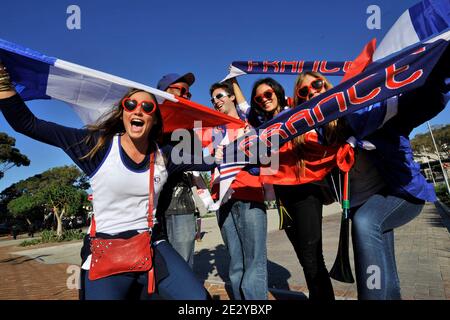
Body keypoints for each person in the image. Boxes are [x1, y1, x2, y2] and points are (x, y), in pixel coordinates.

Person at [0, 62, 215, 300]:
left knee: (198, 300)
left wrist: (256, 144)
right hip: (106, 250)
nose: (138, 110)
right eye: (130, 105)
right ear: (123, 113)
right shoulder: (96, 146)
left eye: (147, 107)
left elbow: (215, 159)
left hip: (152, 244)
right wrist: (3, 84)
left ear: (154, 119)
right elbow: (28, 124)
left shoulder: (164, 155)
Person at [293, 55, 448, 299]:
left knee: (366, 223)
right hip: (359, 206)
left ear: (328, 87)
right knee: (387, 275)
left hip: (399, 193)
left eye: (317, 85)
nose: (312, 92)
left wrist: (437, 68)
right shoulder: (314, 141)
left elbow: (413, 105)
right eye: (304, 92)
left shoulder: (360, 111)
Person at [248, 77, 337, 300]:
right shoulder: (263, 128)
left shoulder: (295, 112)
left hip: (306, 190)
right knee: (303, 255)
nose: (264, 100)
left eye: (268, 94)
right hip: (283, 196)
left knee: (312, 256)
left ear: (278, 93)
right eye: (259, 98)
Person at [206, 80, 268, 300]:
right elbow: (196, 159)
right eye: (213, 99)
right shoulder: (211, 129)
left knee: (255, 260)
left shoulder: (250, 124)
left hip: (249, 195)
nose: (216, 101)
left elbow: (268, 156)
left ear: (232, 97)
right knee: (236, 262)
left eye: (220, 96)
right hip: (222, 200)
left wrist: (233, 81)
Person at [155, 72, 199, 269]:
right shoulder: (149, 121)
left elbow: (197, 160)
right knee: (157, 268)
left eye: (188, 93)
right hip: (151, 208)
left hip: (181, 206)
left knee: (183, 267)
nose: (187, 96)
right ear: (164, 93)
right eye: (181, 91)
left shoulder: (189, 127)